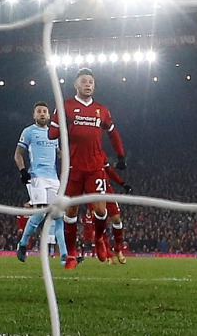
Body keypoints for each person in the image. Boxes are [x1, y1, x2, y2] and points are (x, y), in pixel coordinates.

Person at [47, 67, 127, 270]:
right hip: (73, 167)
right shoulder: (65, 106)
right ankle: (71, 255)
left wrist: (120, 155)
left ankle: (99, 238)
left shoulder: (102, 110)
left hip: (95, 167)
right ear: (76, 84)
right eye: (84, 81)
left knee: (100, 210)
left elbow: (113, 133)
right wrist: (62, 123)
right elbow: (52, 134)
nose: (88, 85)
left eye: (91, 82)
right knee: (71, 211)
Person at [14, 100, 69, 264]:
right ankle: (23, 244)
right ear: (34, 115)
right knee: (40, 212)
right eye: (39, 111)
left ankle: (65, 255)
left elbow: (59, 153)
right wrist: (23, 171)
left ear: (49, 115)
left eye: (44, 111)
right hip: (36, 177)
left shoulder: (54, 134)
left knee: (58, 216)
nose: (42, 114)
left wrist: (68, 157)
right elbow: (18, 153)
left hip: (53, 179)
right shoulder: (29, 131)